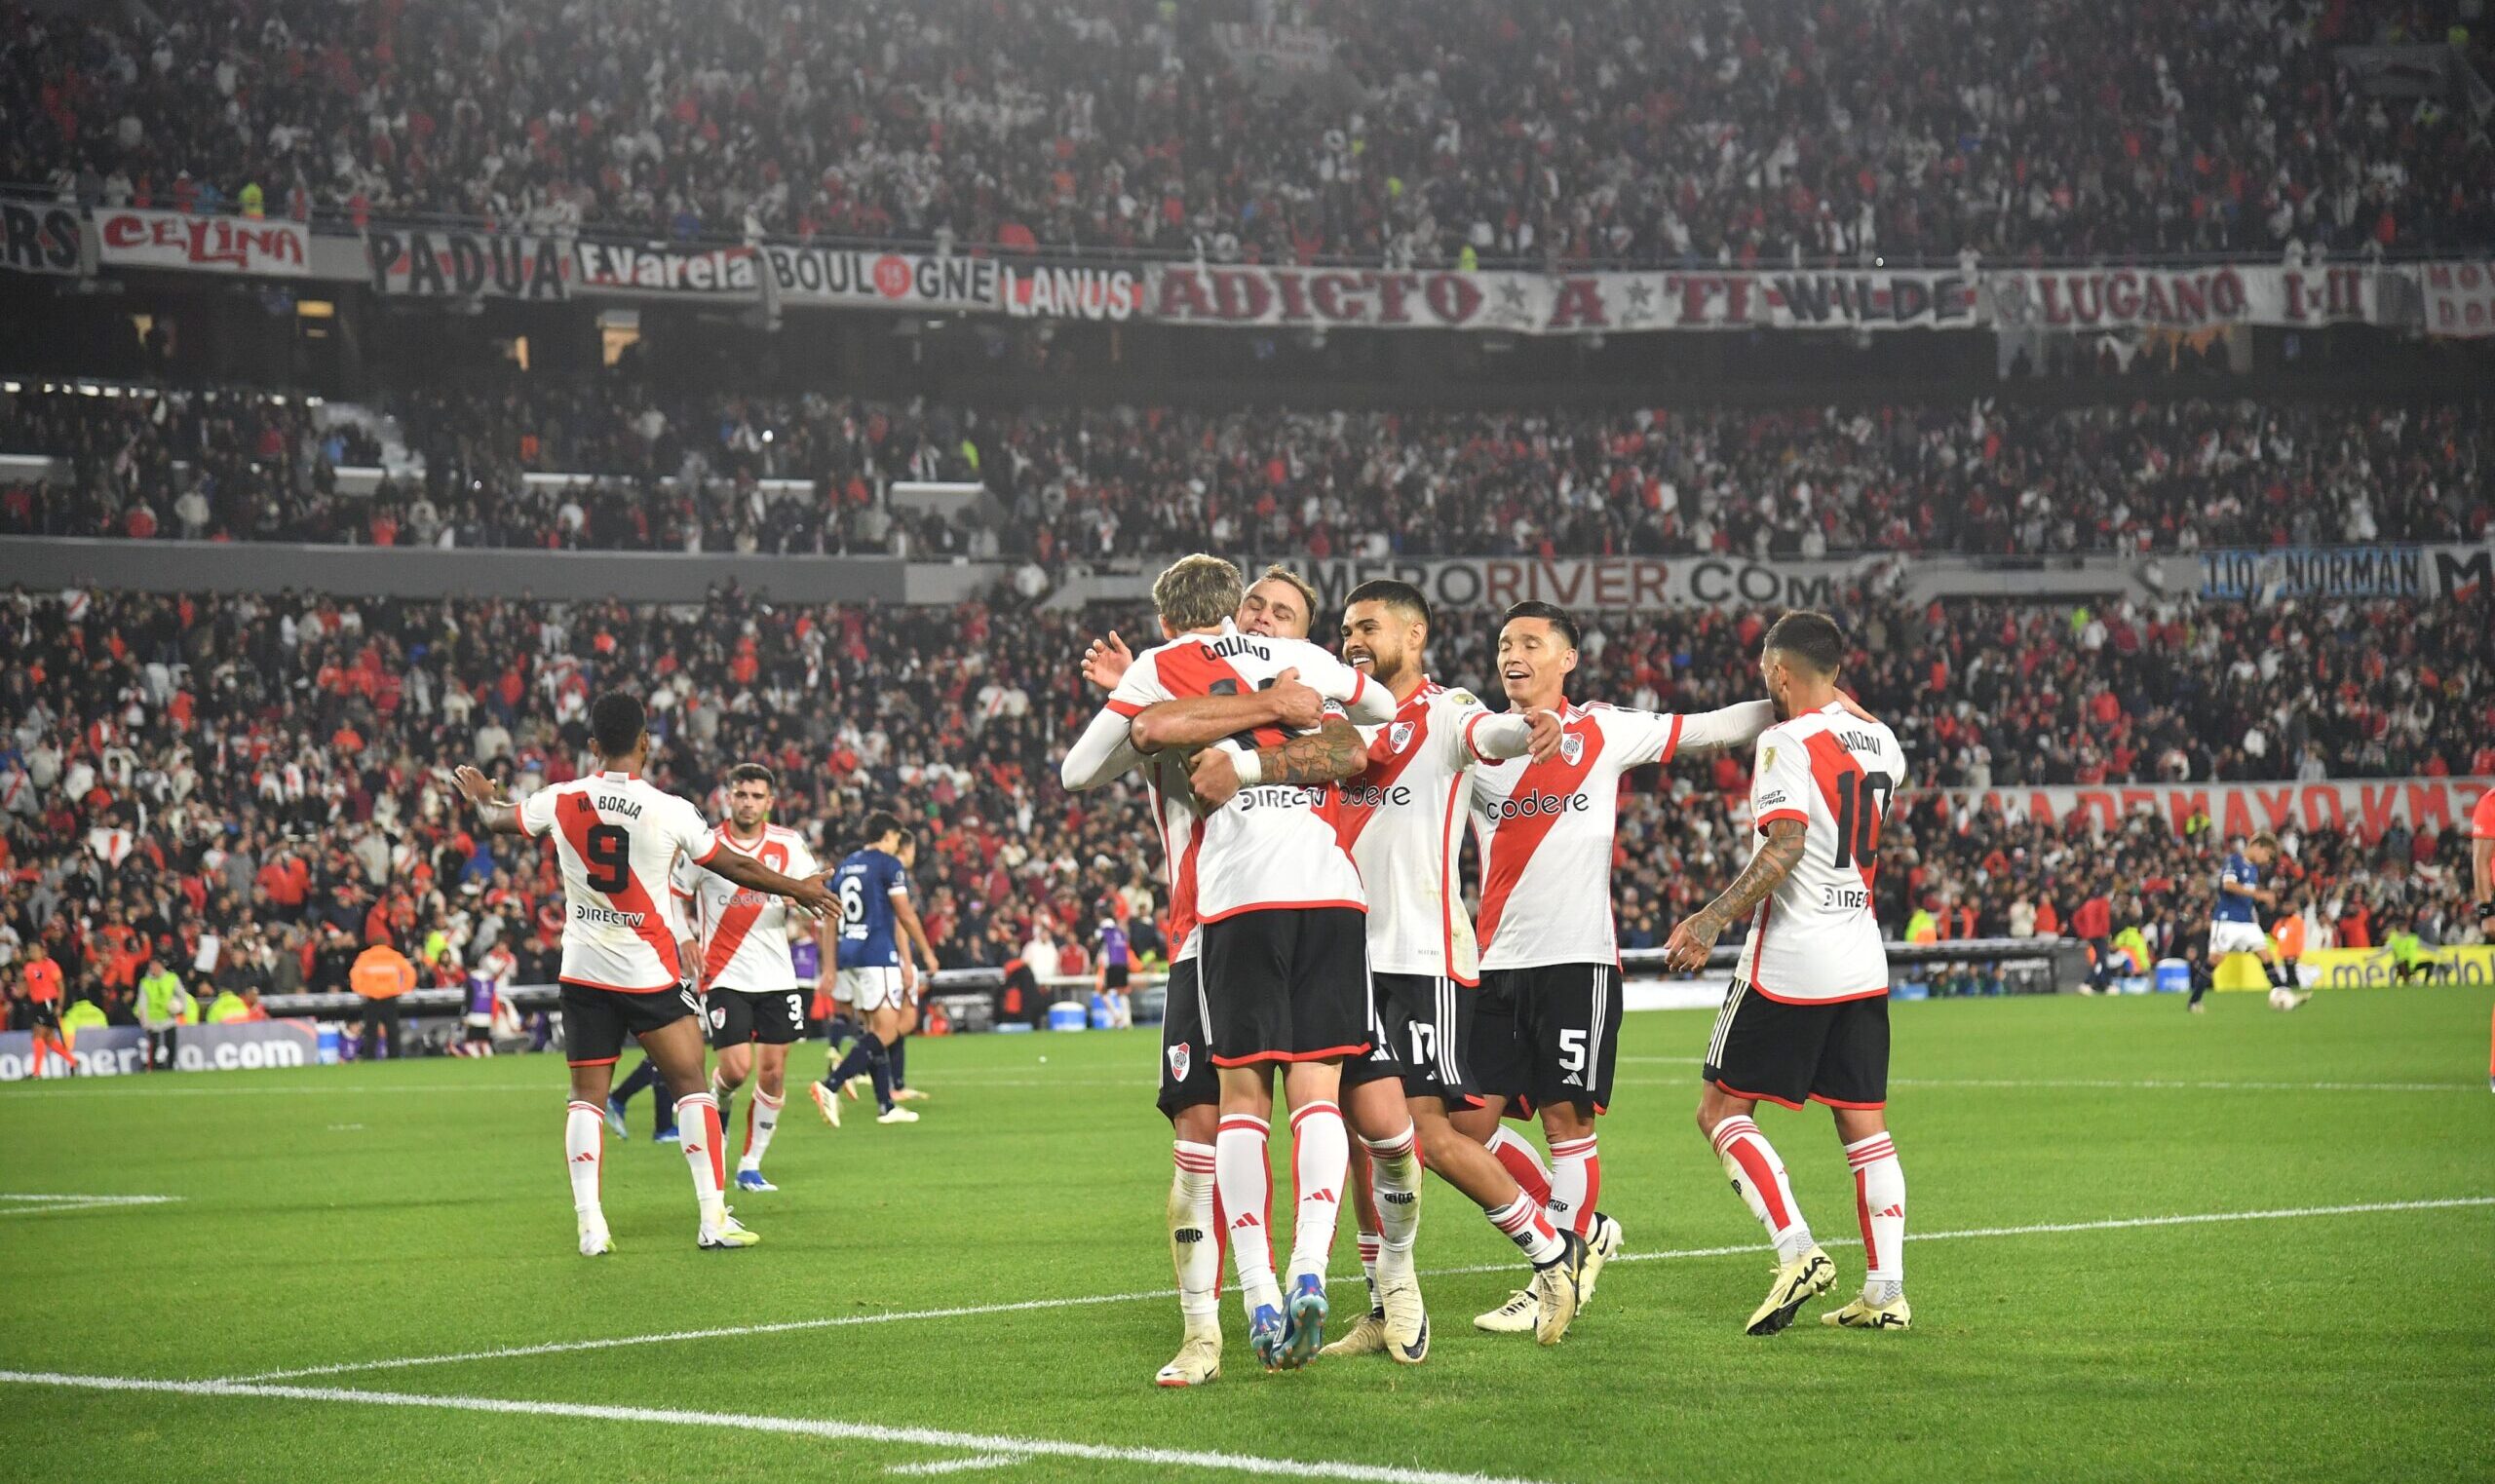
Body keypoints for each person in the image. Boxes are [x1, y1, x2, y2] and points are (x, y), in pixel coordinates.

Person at [1062, 552, 1397, 1373]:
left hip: (1211, 922)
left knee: (1206, 1129)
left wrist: (1137, 700)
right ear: (1236, 611)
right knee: (1317, 1094)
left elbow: (1083, 769)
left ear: (1169, 619)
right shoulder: (1301, 666)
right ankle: (1309, 1272)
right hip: (1326, 901)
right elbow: (1380, 710)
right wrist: (1279, 702)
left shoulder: (1159, 668)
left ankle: (1217, 1325)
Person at [1251, 580, 1588, 1362]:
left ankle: (1549, 1248)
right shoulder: (1333, 726)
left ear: (1416, 634)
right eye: (1345, 629)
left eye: (1369, 626)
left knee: (1426, 1134)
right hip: (1341, 958)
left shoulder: (1445, 709)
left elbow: (1489, 736)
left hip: (1419, 955)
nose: (1354, 639)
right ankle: (1386, 1299)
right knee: (1365, 1136)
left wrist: (1523, 728)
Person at [1458, 601, 1795, 1337]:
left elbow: (1706, 728)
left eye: (1531, 642)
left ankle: (1558, 1271)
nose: (1512, 653)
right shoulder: (1478, 742)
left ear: (1567, 658)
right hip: (1494, 964)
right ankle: (1576, 1231)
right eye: (1504, 642)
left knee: (1564, 1124)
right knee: (1458, 1127)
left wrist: (1798, 699)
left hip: (1577, 963)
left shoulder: (1602, 728)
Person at [454, 690, 841, 1256]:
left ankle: (591, 1227)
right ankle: (713, 1218)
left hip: (583, 972)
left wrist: (484, 797)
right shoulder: (671, 809)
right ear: (645, 743)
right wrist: (796, 886)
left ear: (592, 746)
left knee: (585, 1097)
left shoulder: (561, 799)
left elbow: (495, 820)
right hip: (649, 973)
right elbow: (730, 863)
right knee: (692, 1087)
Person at [1667, 610, 1912, 1334]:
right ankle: (1886, 1290)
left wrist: (1710, 917)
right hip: (1862, 956)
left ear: (1779, 673)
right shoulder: (1885, 742)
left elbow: (1785, 847)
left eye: (1766, 676)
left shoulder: (1783, 741)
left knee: (1719, 1110)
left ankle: (1796, 1248)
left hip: (1791, 960)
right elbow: (1852, 715)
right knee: (1865, 1129)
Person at [676, 762, 823, 1191]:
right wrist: (685, 937)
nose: (748, 803)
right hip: (723, 974)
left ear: (770, 803)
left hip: (777, 975)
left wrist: (810, 900)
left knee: (773, 1073)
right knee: (736, 1069)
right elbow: (673, 894)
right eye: (741, 794)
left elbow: (808, 888)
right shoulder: (706, 845)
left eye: (757, 796)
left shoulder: (788, 844)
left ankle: (750, 1165)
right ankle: (718, 1101)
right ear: (728, 796)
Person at [812, 814, 938, 1126]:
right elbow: (905, 915)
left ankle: (886, 1106)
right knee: (886, 1030)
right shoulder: (888, 864)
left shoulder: (845, 865)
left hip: (848, 954)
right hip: (877, 954)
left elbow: (829, 918)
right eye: (896, 836)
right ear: (889, 835)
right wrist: (927, 951)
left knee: (872, 1030)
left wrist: (829, 965)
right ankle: (831, 1084)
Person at [2198, 833, 2307, 1012]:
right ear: (2257, 846)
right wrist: (2259, 894)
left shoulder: (2254, 870)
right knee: (2216, 959)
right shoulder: (2234, 861)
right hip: (2227, 919)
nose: (2266, 860)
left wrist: (2262, 899)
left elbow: (2246, 895)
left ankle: (2284, 994)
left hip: (2247, 921)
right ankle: (2195, 1000)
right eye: (2267, 854)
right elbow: (2228, 885)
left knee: (2265, 955)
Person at [351, 936, 417, 1059]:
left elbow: (355, 974)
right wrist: (404, 989)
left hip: (372, 998)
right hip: (390, 997)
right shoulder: (394, 955)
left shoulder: (365, 956)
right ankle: (394, 1057)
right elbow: (410, 972)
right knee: (392, 1031)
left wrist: (361, 990)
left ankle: (369, 1058)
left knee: (371, 1032)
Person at [134, 950, 191, 1071]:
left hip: (169, 1018)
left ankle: (170, 1067)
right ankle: (153, 1069)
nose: (153, 968)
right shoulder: (145, 983)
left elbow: (182, 995)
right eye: (151, 965)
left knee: (171, 1044)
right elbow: (142, 1003)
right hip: (153, 1019)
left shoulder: (171, 978)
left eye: (155, 965)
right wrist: (145, 1021)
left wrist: (180, 1009)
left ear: (161, 966)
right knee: (154, 1047)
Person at [21, 941, 71, 1078]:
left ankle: (36, 1072)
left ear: (43, 951)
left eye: (35, 950)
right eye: (30, 950)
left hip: (48, 1002)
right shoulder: (28, 967)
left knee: (38, 1033)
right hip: (36, 1004)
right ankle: (73, 1061)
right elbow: (27, 986)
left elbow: (60, 986)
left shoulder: (50, 965)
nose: (32, 953)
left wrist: (59, 1006)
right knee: (48, 1039)